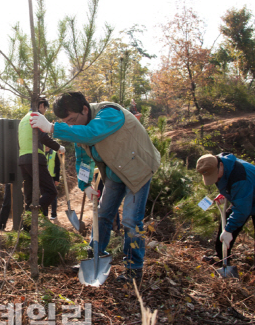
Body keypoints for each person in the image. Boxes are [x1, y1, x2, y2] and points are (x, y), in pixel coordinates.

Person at [30, 92, 161, 283]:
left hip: (138, 170)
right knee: (102, 215)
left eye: (72, 120)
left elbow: (92, 134)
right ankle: (95, 256)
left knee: (131, 221)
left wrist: (51, 128)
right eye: (67, 122)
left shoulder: (110, 113)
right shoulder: (78, 128)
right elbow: (83, 159)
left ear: (85, 109)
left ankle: (134, 269)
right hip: (115, 174)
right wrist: (85, 185)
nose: (71, 125)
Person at [196, 153, 255, 275]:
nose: (215, 179)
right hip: (246, 196)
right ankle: (221, 258)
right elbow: (228, 184)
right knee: (226, 221)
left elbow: (243, 210)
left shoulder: (239, 177)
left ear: (220, 165)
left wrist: (229, 230)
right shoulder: (215, 163)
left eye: (215, 176)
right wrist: (226, 193)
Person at [19, 97, 65, 216]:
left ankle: (26, 229)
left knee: (28, 198)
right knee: (51, 192)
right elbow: (43, 137)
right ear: (41, 106)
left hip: (22, 160)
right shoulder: (35, 116)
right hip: (35, 159)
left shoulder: (23, 119)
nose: (44, 111)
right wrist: (58, 147)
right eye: (45, 108)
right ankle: (32, 214)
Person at [44, 145, 60, 220]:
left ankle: (54, 214)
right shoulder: (41, 154)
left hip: (52, 177)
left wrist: (57, 179)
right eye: (45, 146)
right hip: (43, 178)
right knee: (44, 196)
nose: (46, 147)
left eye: (48, 146)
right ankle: (45, 214)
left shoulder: (54, 153)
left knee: (53, 196)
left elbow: (57, 167)